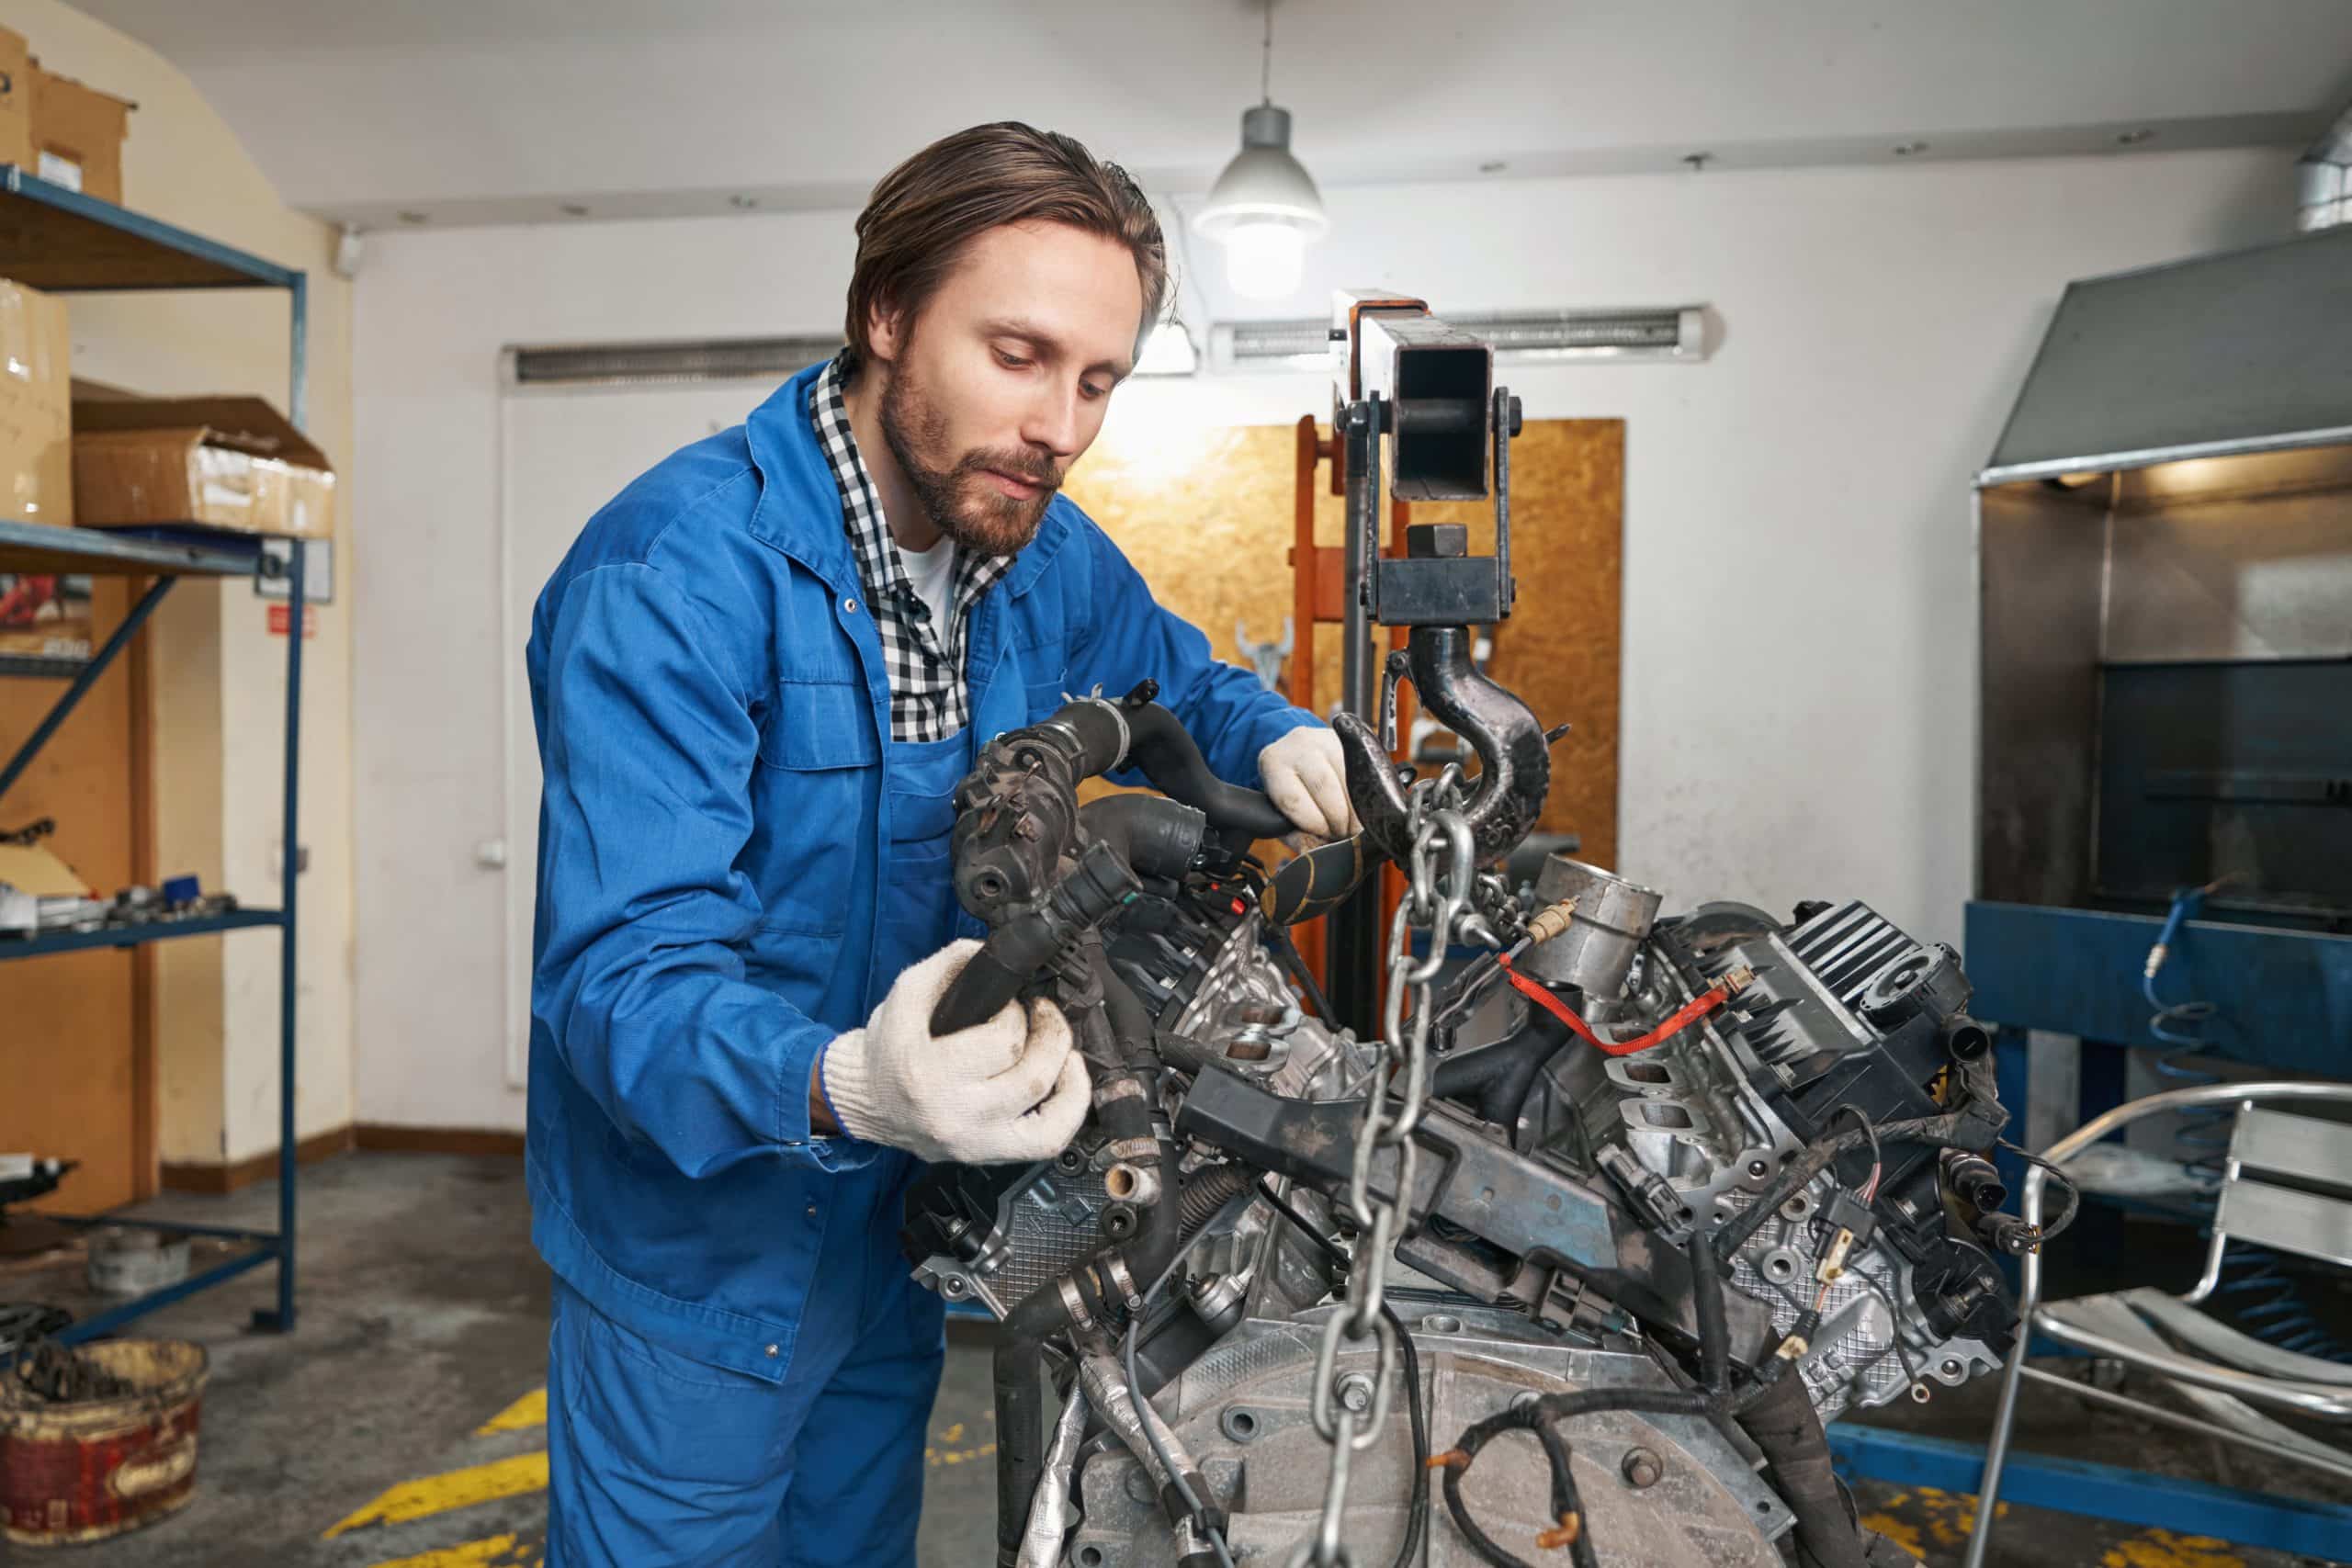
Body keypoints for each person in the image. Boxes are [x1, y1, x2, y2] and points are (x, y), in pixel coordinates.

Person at [524, 121, 1357, 1566]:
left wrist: (1275, 730)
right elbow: (620, 981)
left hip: (904, 1234)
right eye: (1019, 356)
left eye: (1099, 379)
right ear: (887, 316)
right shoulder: (673, 575)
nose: (1063, 425)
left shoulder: (1036, 549)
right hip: (699, 1272)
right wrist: (846, 1081)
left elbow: (1178, 679)